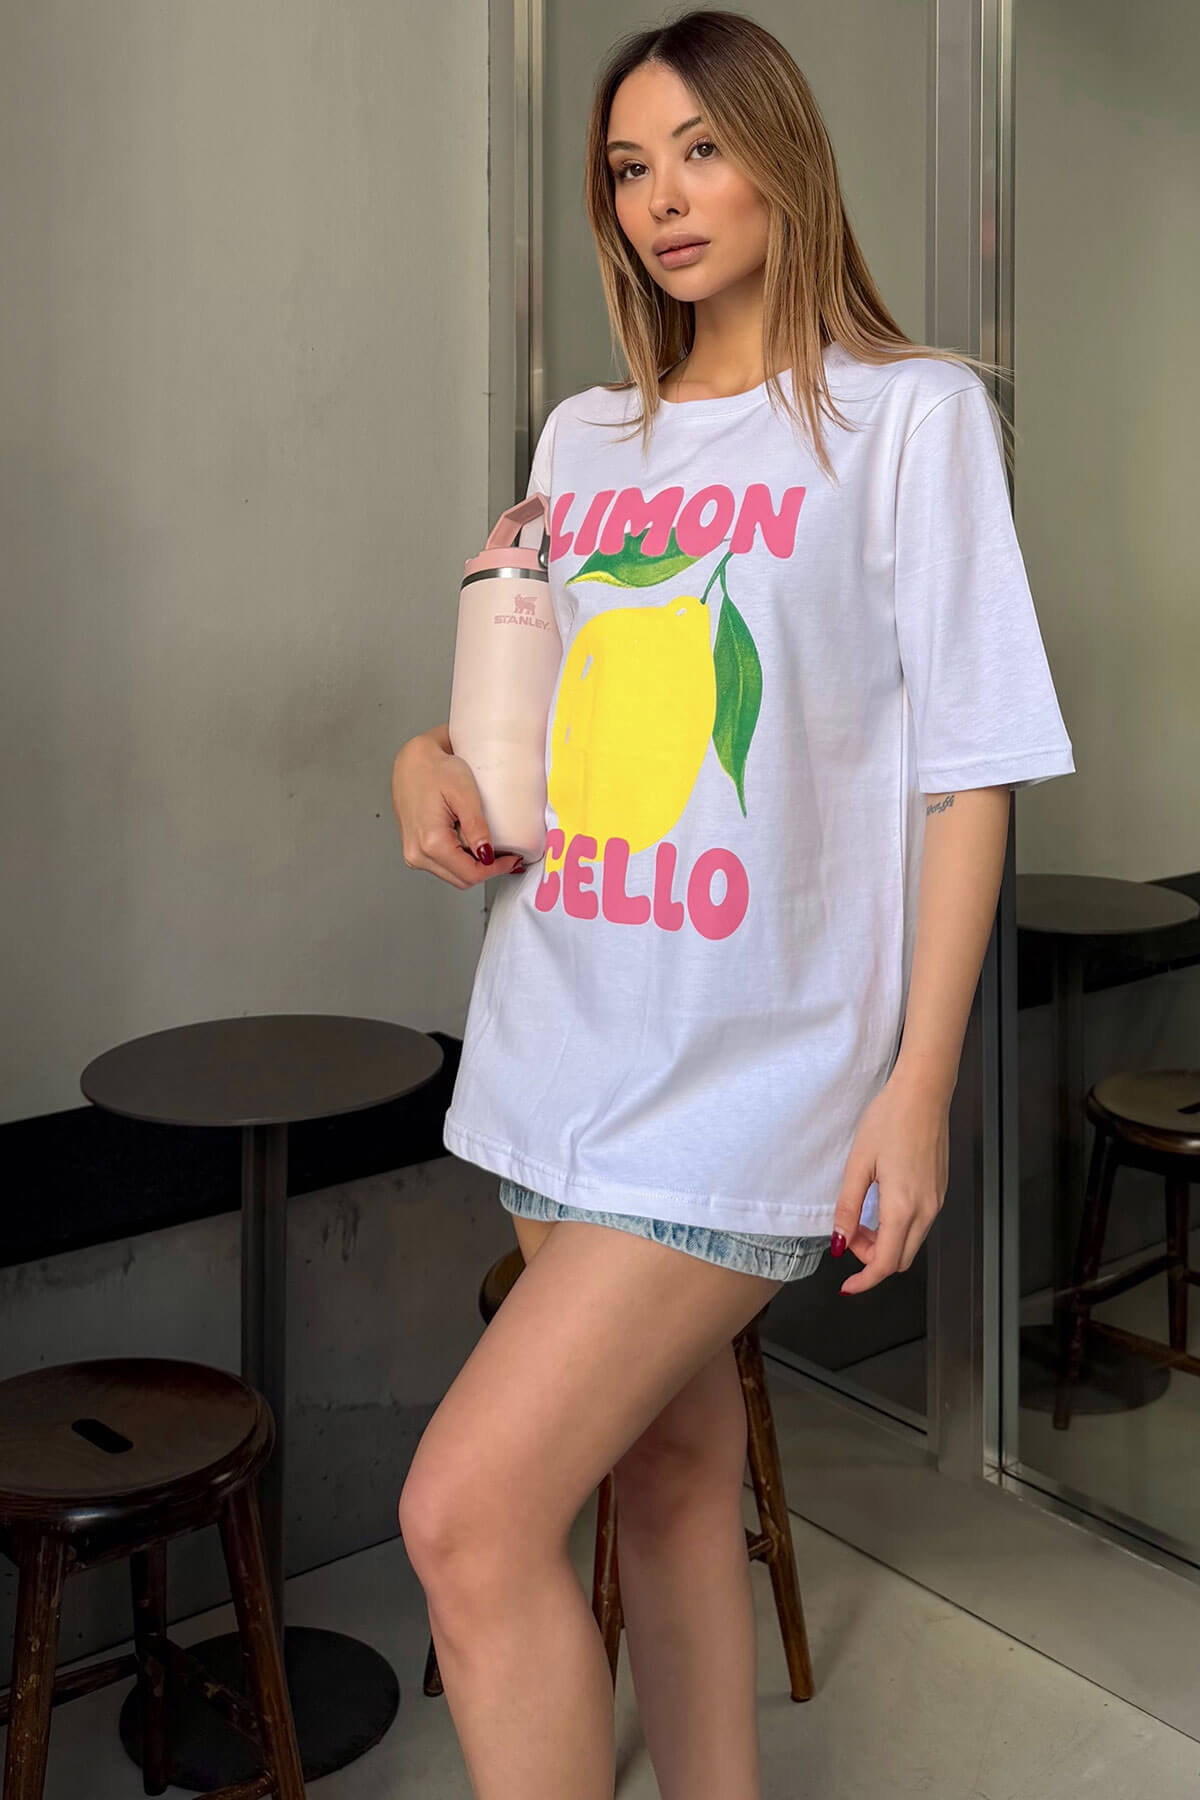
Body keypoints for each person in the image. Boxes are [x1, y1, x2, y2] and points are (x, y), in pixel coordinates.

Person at [390, 10, 1074, 1797]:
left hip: (756, 1067)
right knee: (671, 1482)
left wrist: (917, 1085)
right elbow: (523, 719)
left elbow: (969, 771)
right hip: (561, 1032)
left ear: (784, 157)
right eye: (630, 167)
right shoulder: (585, 435)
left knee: (464, 1517)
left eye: (701, 150)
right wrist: (426, 769)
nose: (663, 199)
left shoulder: (910, 418)